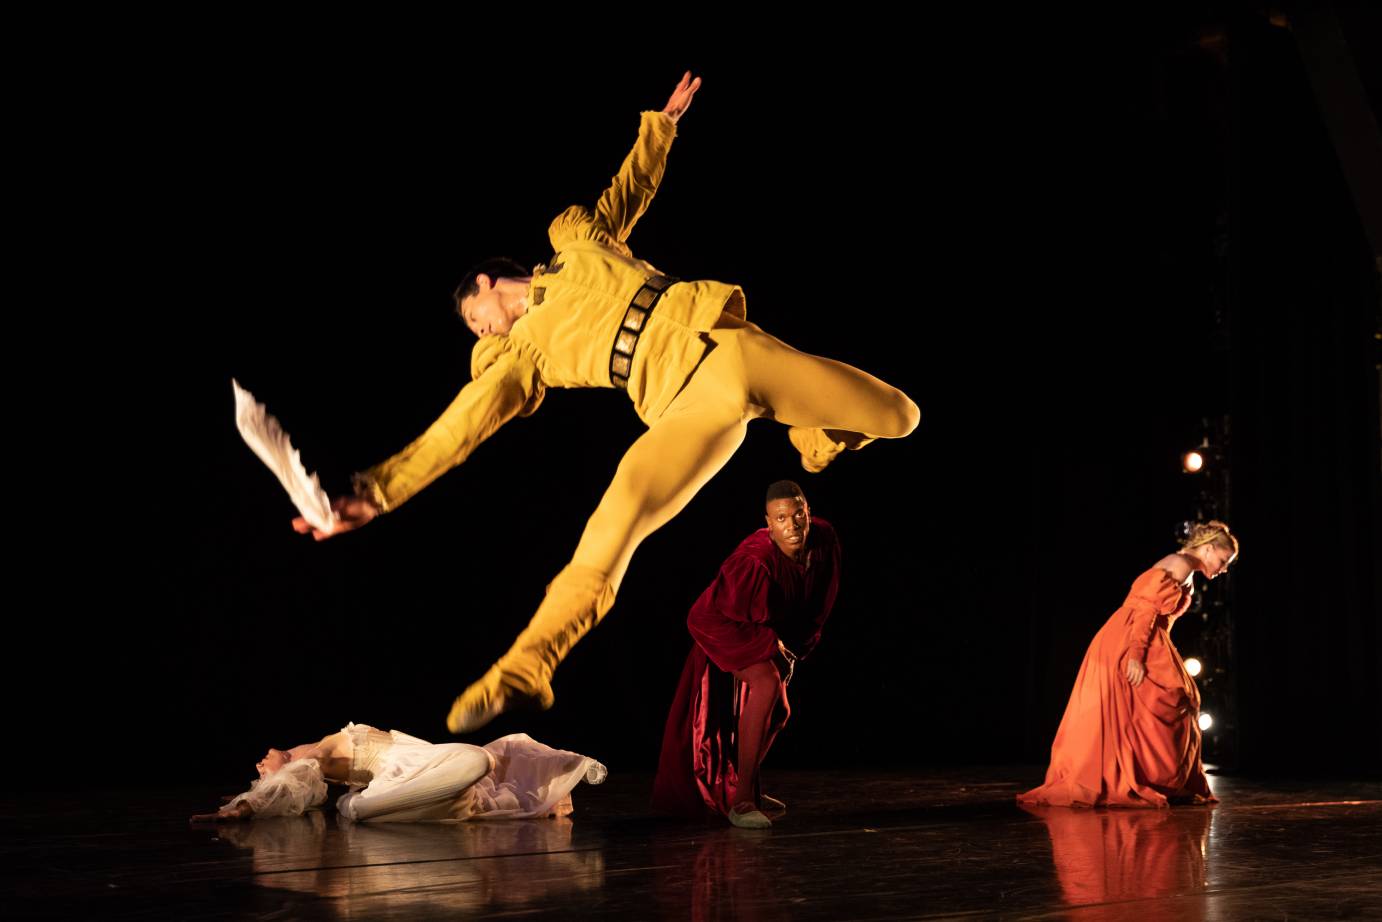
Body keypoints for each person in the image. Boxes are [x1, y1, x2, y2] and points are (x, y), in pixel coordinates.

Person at [291, 72, 917, 734]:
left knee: (900, 416)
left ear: (486, 282)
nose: (482, 332)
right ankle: (527, 664)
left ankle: (814, 442)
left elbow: (631, 187)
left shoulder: (578, 240)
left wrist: (663, 125)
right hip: (682, 410)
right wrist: (375, 493)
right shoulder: (519, 357)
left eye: (476, 317)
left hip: (730, 347)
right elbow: (457, 432)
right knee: (611, 529)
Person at [651, 480, 840, 828]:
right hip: (721, 624)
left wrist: (796, 649)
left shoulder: (825, 539)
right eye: (781, 518)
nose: (793, 525)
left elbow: (820, 600)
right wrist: (772, 648)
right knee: (766, 685)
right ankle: (741, 804)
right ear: (768, 523)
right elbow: (713, 615)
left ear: (809, 513)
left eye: (798, 514)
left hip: (762, 629)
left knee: (780, 711)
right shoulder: (755, 561)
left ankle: (746, 784)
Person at [1018, 521, 1239, 808]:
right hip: (1131, 637)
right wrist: (1135, 655)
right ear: (1208, 549)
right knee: (1169, 699)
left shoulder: (1187, 569)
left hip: (1146, 637)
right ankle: (1141, 779)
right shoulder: (1181, 564)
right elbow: (1146, 608)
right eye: (1223, 561)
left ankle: (1159, 780)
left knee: (1174, 702)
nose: (1223, 569)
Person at [190, 724, 605, 823]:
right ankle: (361, 808)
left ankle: (358, 807)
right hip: (393, 772)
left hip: (418, 756)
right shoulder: (305, 764)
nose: (260, 763)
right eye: (261, 772)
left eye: (261, 767)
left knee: (495, 755)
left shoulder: (307, 748)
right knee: (478, 763)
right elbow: (283, 790)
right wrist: (243, 805)